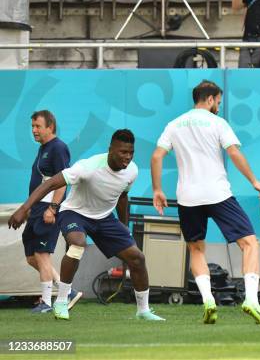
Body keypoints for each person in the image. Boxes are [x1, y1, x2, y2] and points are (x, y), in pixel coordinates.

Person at [9, 129, 164, 322]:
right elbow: (50, 184)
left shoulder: (132, 171)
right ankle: (62, 301)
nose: (127, 157)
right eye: (123, 152)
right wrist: (24, 208)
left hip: (104, 218)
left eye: (131, 152)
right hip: (74, 213)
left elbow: (122, 196)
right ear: (110, 150)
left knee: (137, 258)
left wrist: (124, 225)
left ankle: (143, 311)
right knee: (77, 244)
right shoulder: (87, 167)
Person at [151, 80, 260, 325]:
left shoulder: (174, 125)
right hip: (217, 193)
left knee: (195, 248)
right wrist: (254, 182)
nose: (219, 105)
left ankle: (208, 300)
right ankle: (251, 300)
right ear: (210, 99)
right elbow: (234, 153)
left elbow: (156, 156)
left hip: (187, 197)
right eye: (218, 101)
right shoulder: (218, 123)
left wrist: (157, 190)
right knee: (249, 243)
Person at [20, 110, 81, 313]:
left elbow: (62, 182)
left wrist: (52, 208)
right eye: (32, 127)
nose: (34, 130)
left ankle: (46, 303)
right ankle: (68, 291)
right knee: (32, 257)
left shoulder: (59, 148)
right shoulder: (44, 148)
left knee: (42, 254)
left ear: (50, 126)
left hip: (47, 210)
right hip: (37, 210)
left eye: (37, 126)